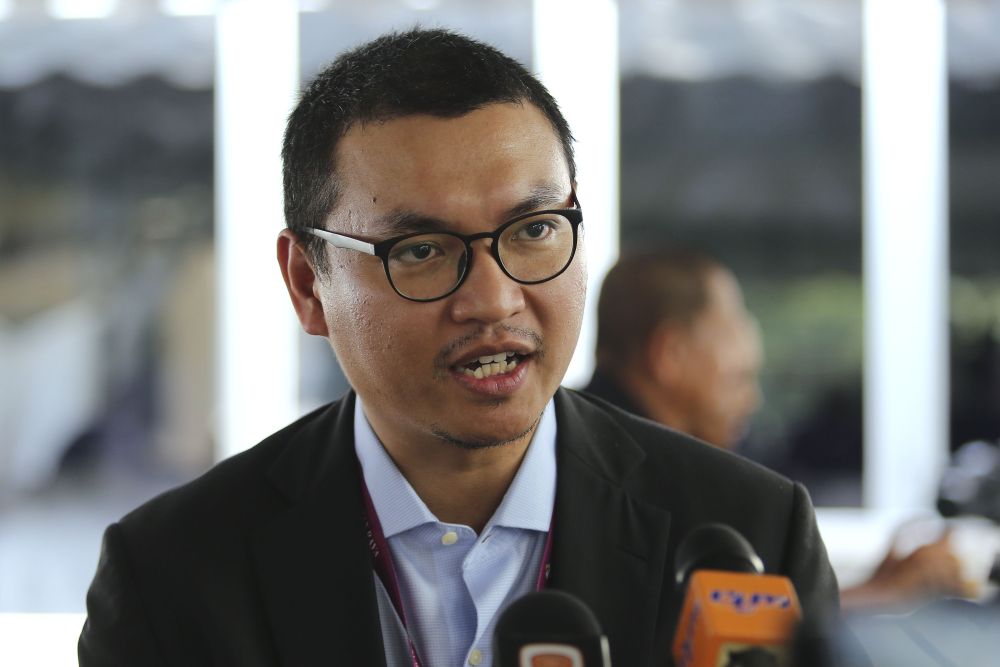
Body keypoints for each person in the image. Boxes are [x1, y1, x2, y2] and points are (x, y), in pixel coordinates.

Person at [78, 29, 838, 667]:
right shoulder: (174, 576)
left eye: (534, 230)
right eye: (421, 250)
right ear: (309, 284)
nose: (494, 299)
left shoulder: (748, 535)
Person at [585, 248, 976, 612]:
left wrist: (875, 589)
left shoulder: (596, 454)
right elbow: (688, 634)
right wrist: (881, 595)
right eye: (739, 378)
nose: (752, 402)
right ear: (671, 354)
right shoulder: (616, 481)